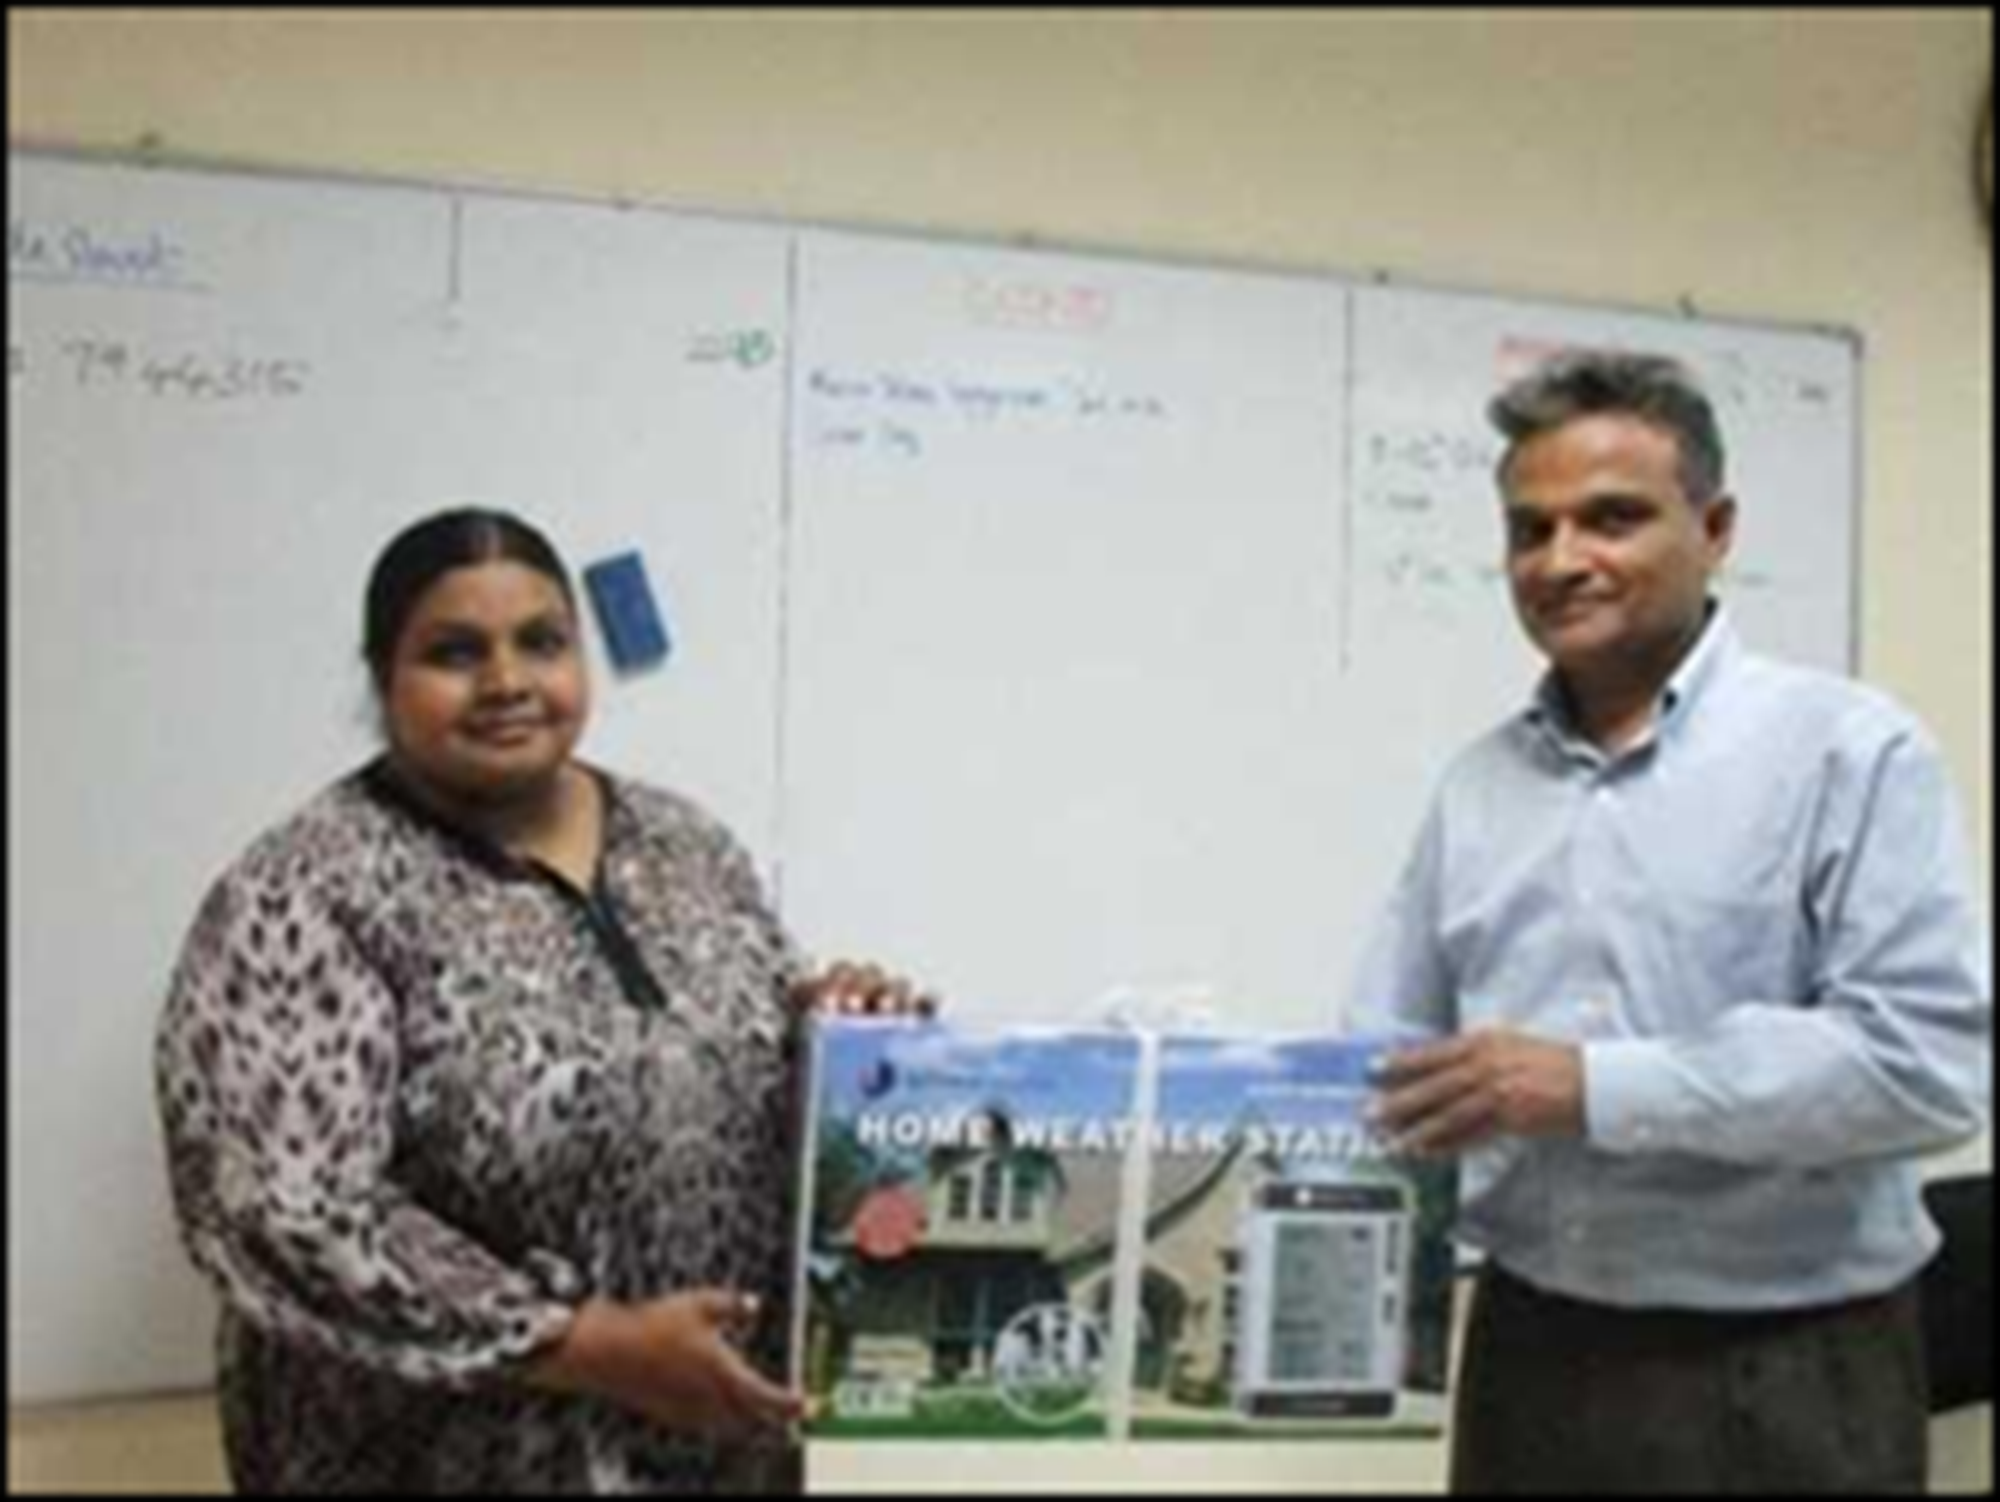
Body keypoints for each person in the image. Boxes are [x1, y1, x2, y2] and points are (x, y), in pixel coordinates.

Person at [156, 507, 930, 1494]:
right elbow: (281, 1210)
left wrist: (834, 1029)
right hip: (448, 1459)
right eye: (453, 650)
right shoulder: (302, 893)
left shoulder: (682, 839)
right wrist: (585, 1339)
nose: (508, 681)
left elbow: (729, 1054)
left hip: (713, 1445)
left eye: (542, 641)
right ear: (381, 674)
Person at [1350, 351, 1991, 1493]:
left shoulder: (1847, 750)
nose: (1560, 560)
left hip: (1787, 1363)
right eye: (1527, 529)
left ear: (1714, 526)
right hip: (1526, 1347)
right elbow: (1381, 1059)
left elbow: (1926, 1065)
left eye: (1609, 517)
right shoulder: (1475, 787)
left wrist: (1589, 1085)